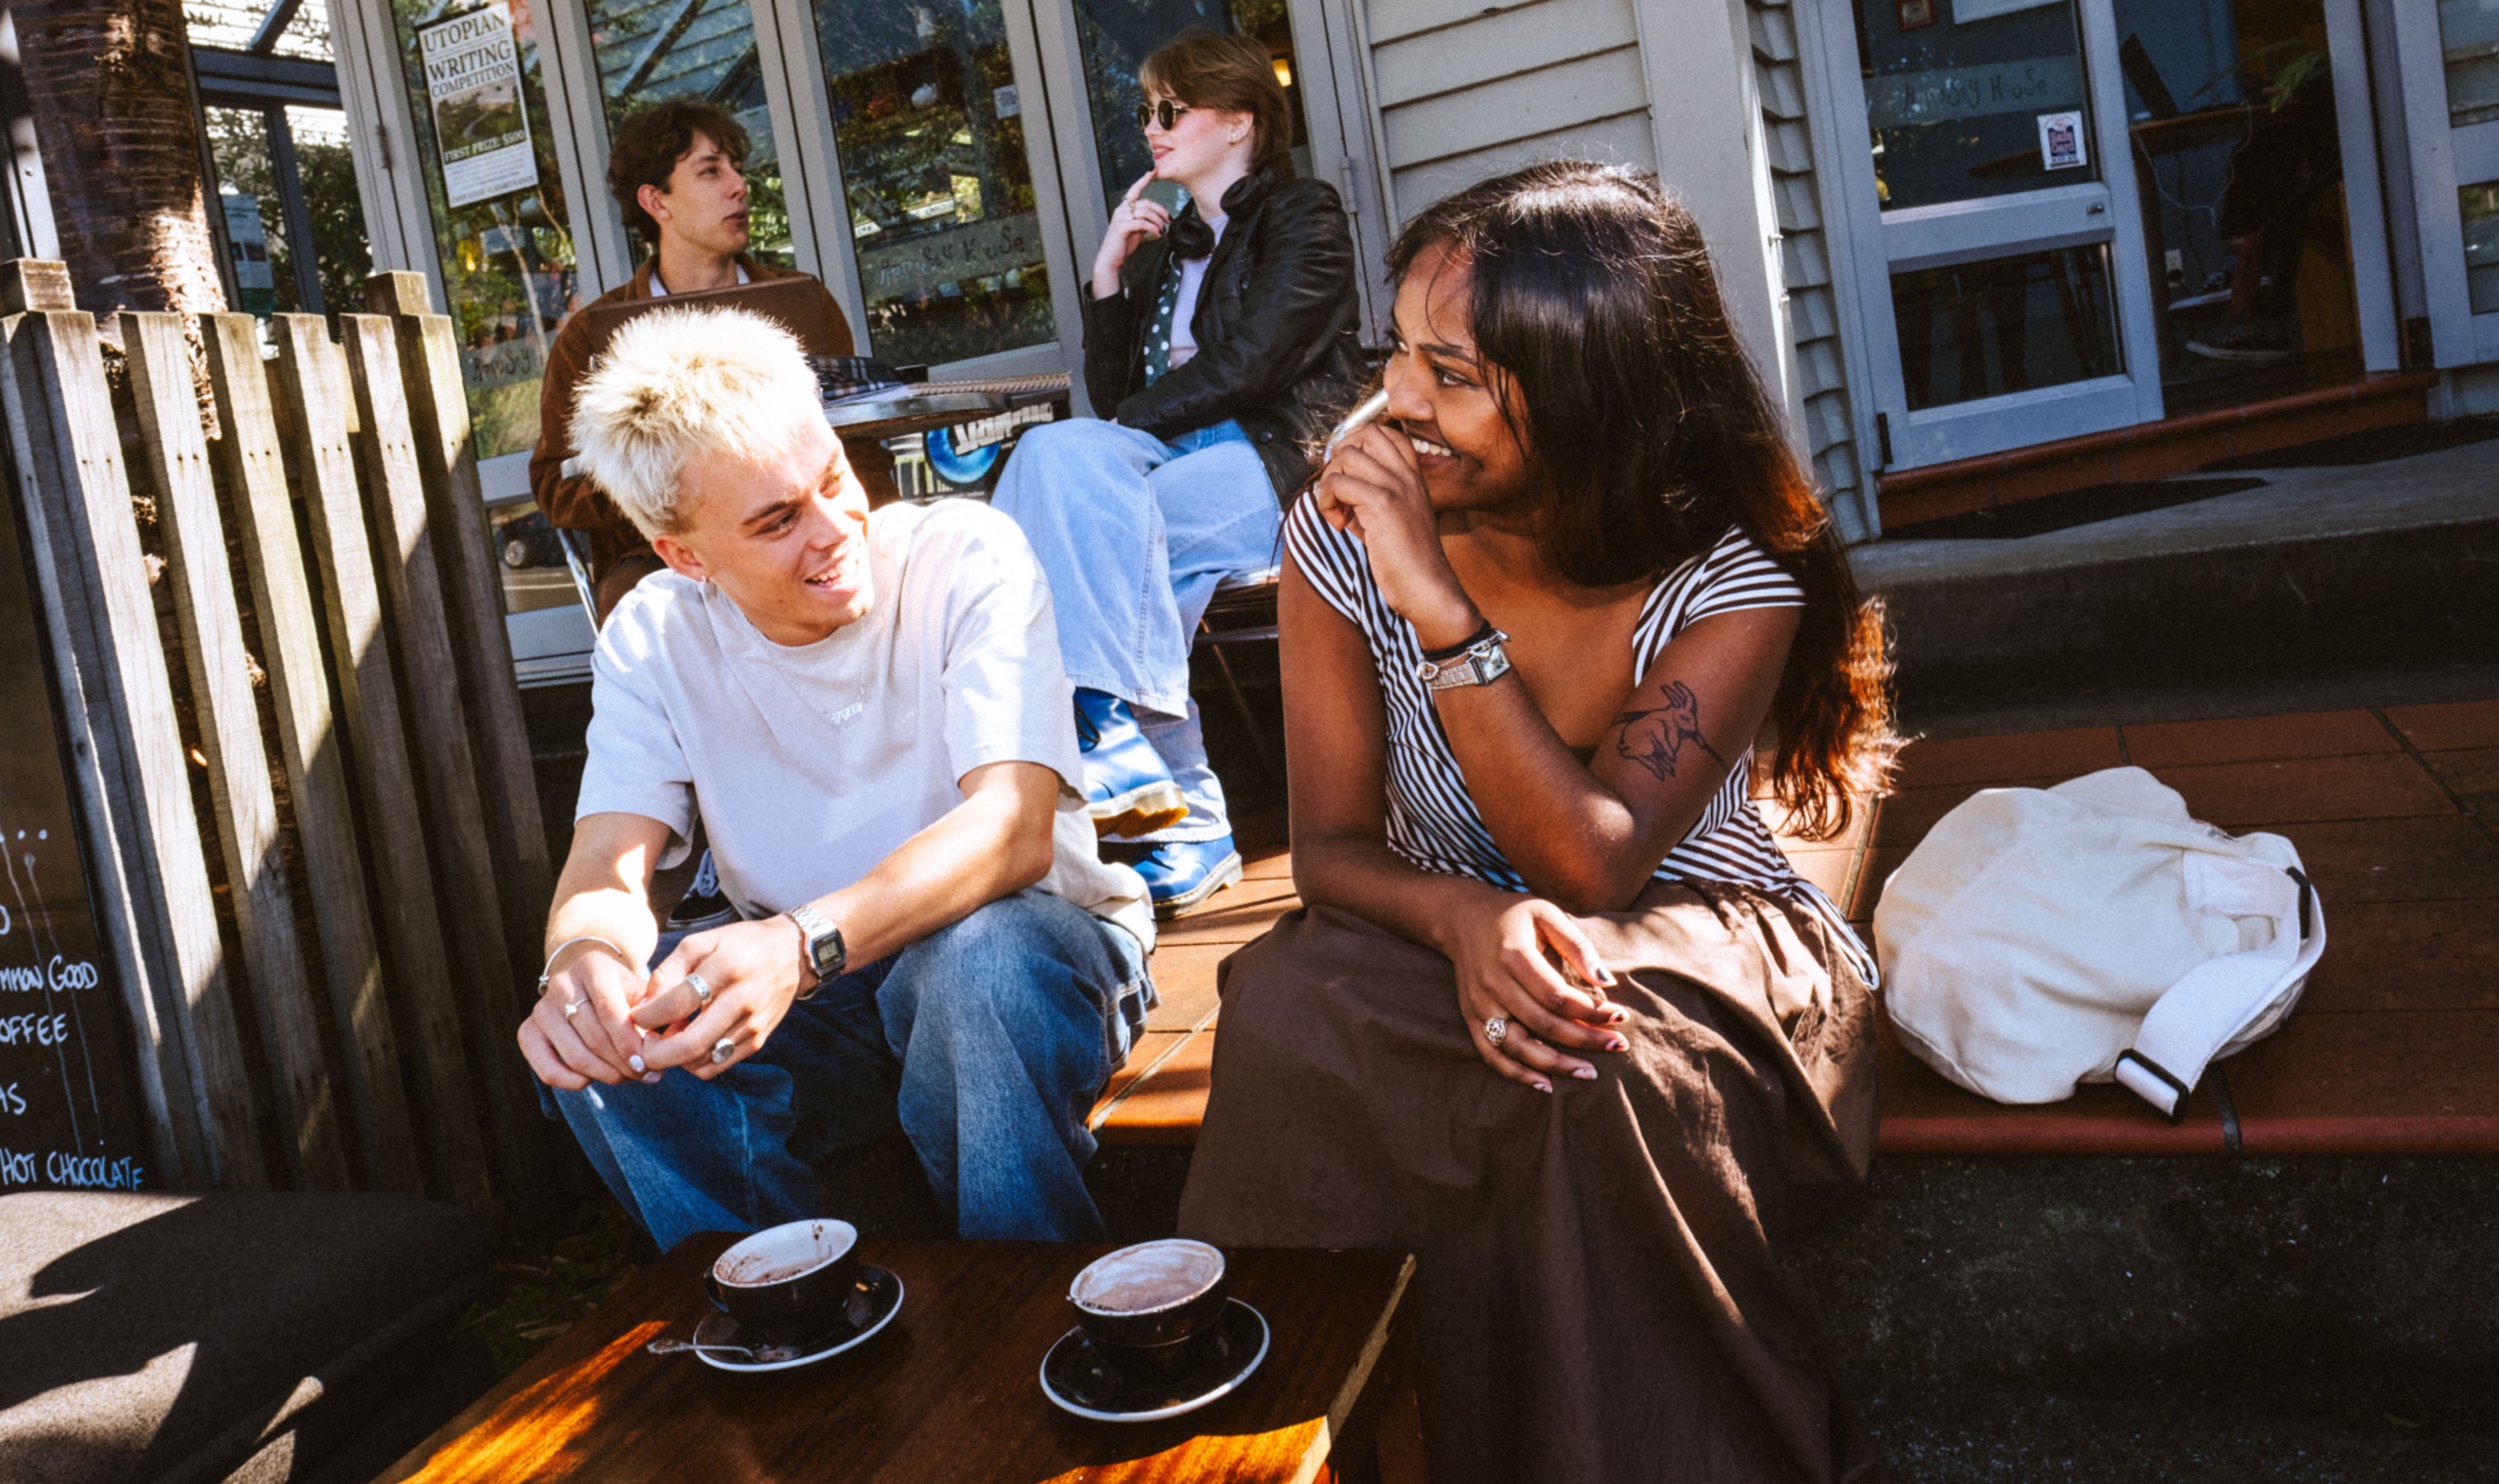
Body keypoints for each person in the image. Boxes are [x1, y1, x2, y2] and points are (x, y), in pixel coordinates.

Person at [1176, 162, 1901, 1482]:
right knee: (1283, 1007)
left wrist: (1442, 613)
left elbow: (1594, 860)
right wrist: (1464, 918)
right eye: (1401, 353)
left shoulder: (1738, 576)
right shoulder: (1339, 537)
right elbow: (1331, 849)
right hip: (1448, 923)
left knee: (1587, 1051)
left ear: (1586, 393)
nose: (1400, 401)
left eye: (1452, 376)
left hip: (1697, 932)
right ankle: (1323, 1443)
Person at [518, 305, 1157, 1252]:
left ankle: (1024, 1300)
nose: (834, 529)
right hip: (821, 997)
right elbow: (609, 861)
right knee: (613, 1031)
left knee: (975, 964)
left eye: (832, 479)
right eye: (778, 520)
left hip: (1031, 964)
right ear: (685, 556)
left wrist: (798, 944)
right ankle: (784, 1302)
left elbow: (1013, 831)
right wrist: (582, 967)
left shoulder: (963, 556)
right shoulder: (655, 632)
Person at [992, 27, 1365, 917]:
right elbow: (1113, 393)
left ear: (1237, 120)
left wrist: (1121, 431)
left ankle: (1153, 788)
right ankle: (1146, 771)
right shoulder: (1165, 250)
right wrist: (1109, 276)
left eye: (1171, 108)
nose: (1151, 127)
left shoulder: (1301, 215)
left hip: (1273, 458)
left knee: (1090, 532)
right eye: (1144, 111)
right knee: (1057, 461)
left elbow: (1255, 363)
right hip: (1167, 467)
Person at [533, 100, 893, 623]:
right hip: (675, 558)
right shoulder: (592, 338)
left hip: (812, 528)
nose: (738, 186)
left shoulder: (803, 300)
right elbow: (555, 485)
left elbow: (862, 436)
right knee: (641, 597)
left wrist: (869, 519)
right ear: (657, 201)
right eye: (710, 171)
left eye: (737, 169)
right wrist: (675, 490)